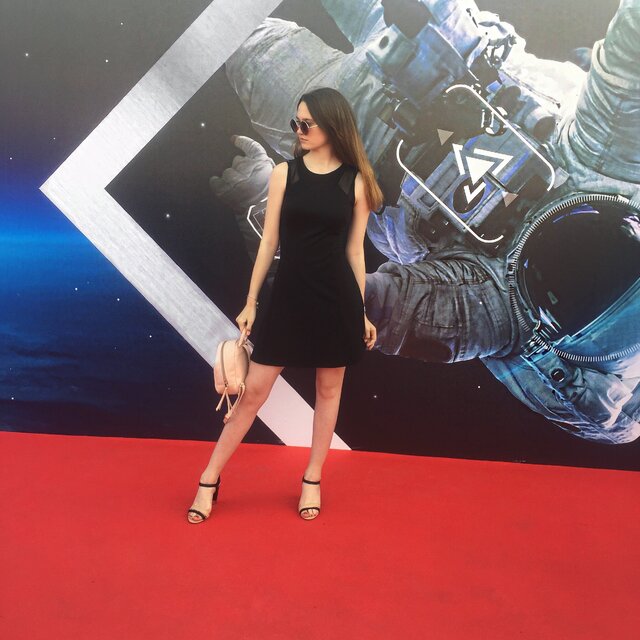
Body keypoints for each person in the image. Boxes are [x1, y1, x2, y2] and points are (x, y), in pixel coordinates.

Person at [187, 87, 384, 524]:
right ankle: (209, 478)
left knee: (328, 391)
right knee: (253, 393)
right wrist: (251, 301)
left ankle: (312, 477)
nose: (298, 130)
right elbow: (269, 242)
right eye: (296, 122)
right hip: (289, 296)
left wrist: (360, 311)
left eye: (306, 123)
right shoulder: (284, 174)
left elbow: (356, 252)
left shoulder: (356, 182)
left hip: (336, 300)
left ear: (332, 124)